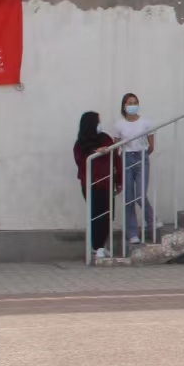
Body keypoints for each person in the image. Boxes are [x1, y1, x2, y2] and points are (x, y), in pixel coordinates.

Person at [73, 111, 119, 261]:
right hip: (90, 184)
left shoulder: (105, 139)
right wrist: (95, 152)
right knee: (95, 215)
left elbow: (115, 158)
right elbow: (80, 161)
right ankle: (96, 246)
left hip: (106, 184)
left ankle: (100, 246)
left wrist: (119, 181)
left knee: (106, 215)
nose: (100, 124)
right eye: (98, 121)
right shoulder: (80, 143)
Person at [113, 92, 154, 250]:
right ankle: (132, 233)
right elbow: (116, 146)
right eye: (129, 103)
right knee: (129, 197)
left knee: (140, 195)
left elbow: (151, 146)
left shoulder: (146, 122)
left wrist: (142, 156)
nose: (133, 105)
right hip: (126, 158)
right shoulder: (119, 125)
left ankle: (152, 221)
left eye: (135, 102)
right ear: (124, 106)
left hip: (142, 157)